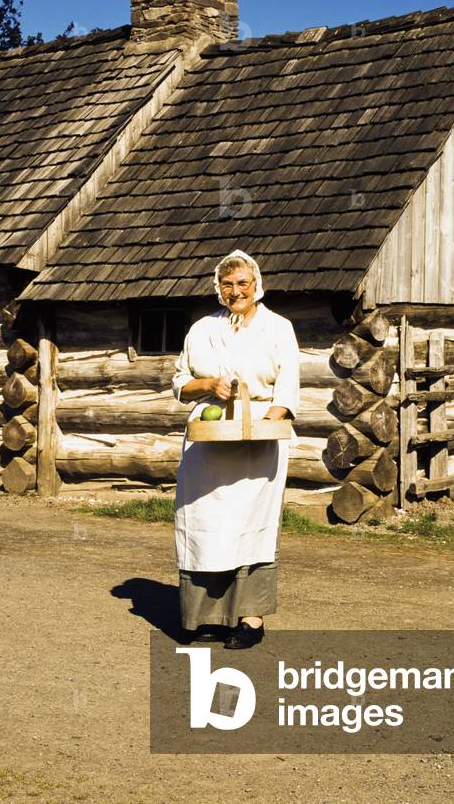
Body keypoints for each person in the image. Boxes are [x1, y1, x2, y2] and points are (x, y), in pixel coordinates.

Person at [172, 249, 300, 649]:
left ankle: (250, 619)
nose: (235, 290)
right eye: (228, 284)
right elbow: (180, 383)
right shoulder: (201, 329)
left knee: (250, 528)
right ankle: (206, 617)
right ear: (218, 287)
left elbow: (287, 388)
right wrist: (209, 386)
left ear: (256, 284)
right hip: (208, 443)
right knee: (206, 525)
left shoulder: (278, 329)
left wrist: (261, 426)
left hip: (257, 444)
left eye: (242, 283)